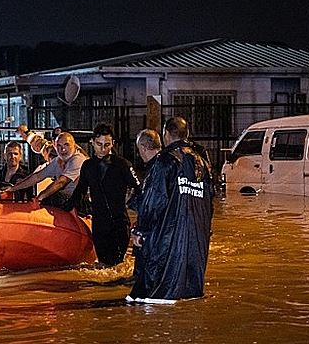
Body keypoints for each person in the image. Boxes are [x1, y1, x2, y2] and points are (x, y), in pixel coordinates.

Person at [125, 117, 213, 304]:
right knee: (189, 299)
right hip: (197, 242)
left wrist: (140, 230)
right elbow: (209, 203)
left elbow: (154, 201)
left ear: (165, 134)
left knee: (150, 298)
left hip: (167, 241)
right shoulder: (203, 163)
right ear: (187, 134)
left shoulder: (165, 161)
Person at [62, 123, 141, 266]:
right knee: (103, 265)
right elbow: (80, 190)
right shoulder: (88, 166)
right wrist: (67, 206)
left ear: (113, 144)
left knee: (116, 266)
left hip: (119, 224)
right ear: (92, 142)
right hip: (99, 224)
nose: (103, 149)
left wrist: (135, 208)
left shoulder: (123, 164)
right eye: (99, 144)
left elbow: (139, 189)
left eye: (107, 145)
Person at [5, 132, 87, 209]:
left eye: (66, 145)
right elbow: (37, 176)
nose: (63, 149)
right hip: (66, 197)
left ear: (74, 145)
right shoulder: (57, 160)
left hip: (80, 200)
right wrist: (13, 188)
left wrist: (40, 198)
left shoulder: (78, 159)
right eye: (59, 146)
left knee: (52, 198)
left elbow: (61, 182)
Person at [126, 129, 162, 278]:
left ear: (142, 148)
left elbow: (151, 204)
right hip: (161, 233)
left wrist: (131, 201)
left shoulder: (156, 169)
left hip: (151, 235)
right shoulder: (165, 164)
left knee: (142, 278)